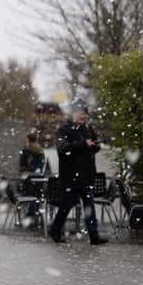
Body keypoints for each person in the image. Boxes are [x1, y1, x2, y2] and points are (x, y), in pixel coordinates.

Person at [48, 99, 108, 246]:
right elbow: (62, 149)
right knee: (66, 206)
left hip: (87, 176)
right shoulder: (63, 129)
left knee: (89, 207)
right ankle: (55, 230)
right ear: (73, 114)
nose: (83, 116)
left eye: (85, 114)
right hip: (71, 178)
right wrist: (83, 144)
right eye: (80, 113)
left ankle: (94, 236)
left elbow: (93, 146)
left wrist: (96, 146)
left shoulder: (88, 128)